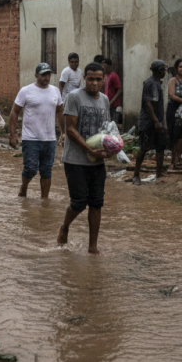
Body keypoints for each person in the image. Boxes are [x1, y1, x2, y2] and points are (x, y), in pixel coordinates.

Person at [57, 62, 110, 254]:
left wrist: (113, 148)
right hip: (75, 160)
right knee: (79, 202)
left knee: (97, 203)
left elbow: (107, 131)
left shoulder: (104, 100)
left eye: (98, 79)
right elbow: (70, 129)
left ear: (104, 80)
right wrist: (90, 149)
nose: (94, 83)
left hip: (97, 161)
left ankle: (92, 247)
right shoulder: (74, 97)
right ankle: (65, 227)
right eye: (90, 79)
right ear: (84, 79)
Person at [9, 63, 65, 198]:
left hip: (50, 139)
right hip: (31, 138)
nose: (46, 77)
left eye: (48, 74)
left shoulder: (55, 91)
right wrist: (12, 135)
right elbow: (14, 112)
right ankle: (24, 188)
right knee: (31, 169)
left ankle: (44, 199)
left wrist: (63, 132)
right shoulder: (26, 91)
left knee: (47, 171)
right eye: (43, 74)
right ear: (36, 75)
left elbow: (60, 111)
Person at [132, 60, 168, 184]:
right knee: (144, 147)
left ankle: (159, 173)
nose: (165, 72)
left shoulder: (156, 83)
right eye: (163, 70)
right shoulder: (151, 83)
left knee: (160, 147)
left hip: (157, 120)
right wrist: (156, 121)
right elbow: (149, 104)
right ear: (158, 71)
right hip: (149, 122)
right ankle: (136, 175)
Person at [101, 58, 123, 124]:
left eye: (105, 66)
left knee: (113, 124)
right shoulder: (104, 76)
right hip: (106, 104)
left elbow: (120, 90)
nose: (103, 68)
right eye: (103, 66)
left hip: (114, 106)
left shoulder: (114, 76)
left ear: (109, 67)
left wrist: (111, 101)